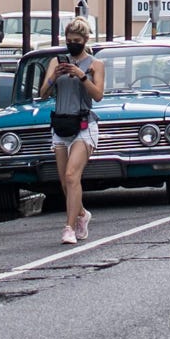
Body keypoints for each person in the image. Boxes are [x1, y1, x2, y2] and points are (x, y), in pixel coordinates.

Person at [37, 17, 105, 244]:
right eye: (68, 40)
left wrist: (81, 75)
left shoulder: (95, 64)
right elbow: (43, 93)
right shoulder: (56, 62)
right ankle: (82, 214)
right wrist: (54, 77)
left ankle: (69, 227)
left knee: (71, 175)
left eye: (76, 40)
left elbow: (97, 95)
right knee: (66, 182)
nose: (72, 44)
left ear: (85, 40)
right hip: (61, 124)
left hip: (84, 124)